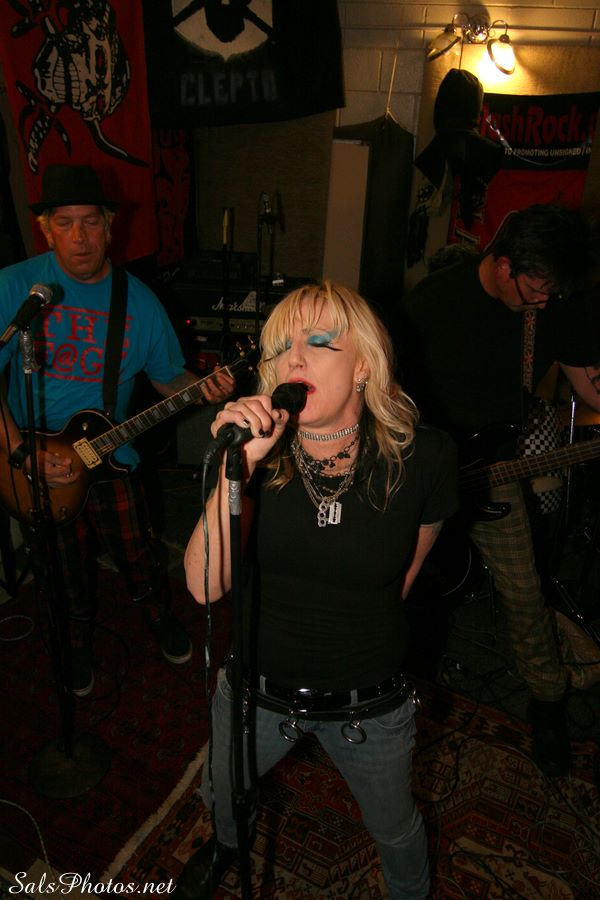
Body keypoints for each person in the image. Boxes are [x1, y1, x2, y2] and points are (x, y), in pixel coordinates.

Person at [178, 281, 458, 899]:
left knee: (394, 828)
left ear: (364, 367)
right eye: (281, 347)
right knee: (220, 794)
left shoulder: (426, 458)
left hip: (368, 705)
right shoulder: (250, 457)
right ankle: (227, 846)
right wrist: (238, 469)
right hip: (253, 691)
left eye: (321, 342)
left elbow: (404, 577)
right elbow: (203, 587)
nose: (294, 359)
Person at [0, 163, 234, 696]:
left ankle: (156, 613)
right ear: (46, 229)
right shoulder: (16, 288)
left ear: (110, 226)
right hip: (32, 459)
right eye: (65, 223)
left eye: (90, 222)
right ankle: (75, 637)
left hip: (112, 453)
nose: (79, 237)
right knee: (61, 568)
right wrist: (20, 452)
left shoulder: (139, 301)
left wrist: (204, 387)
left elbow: (168, 376)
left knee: (138, 553)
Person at [397, 203, 600, 778]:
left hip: (495, 471)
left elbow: (590, 385)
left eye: (553, 292)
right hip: (425, 472)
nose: (545, 301)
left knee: (524, 591)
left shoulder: (553, 305)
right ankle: (394, 687)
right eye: (536, 289)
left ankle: (548, 702)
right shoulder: (431, 302)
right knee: (407, 587)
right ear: (504, 264)